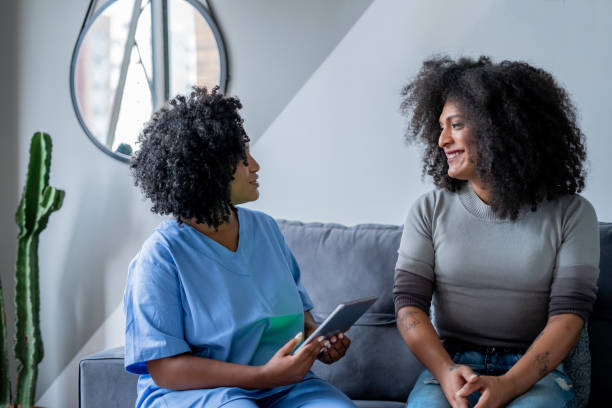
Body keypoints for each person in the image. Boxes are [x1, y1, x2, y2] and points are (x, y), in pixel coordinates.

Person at [124, 87, 355, 408]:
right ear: (208, 168)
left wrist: (319, 342)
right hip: (195, 392)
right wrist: (264, 376)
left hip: (284, 387)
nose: (256, 166)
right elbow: (165, 370)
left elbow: (302, 319)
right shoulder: (160, 257)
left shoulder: (267, 230)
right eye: (243, 157)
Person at [394, 56, 599, 408]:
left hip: (535, 374)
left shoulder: (572, 213)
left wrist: (508, 385)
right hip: (454, 366)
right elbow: (409, 305)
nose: (442, 139)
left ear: (497, 130)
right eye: (441, 126)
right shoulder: (428, 210)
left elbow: (568, 317)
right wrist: (445, 372)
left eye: (455, 125)